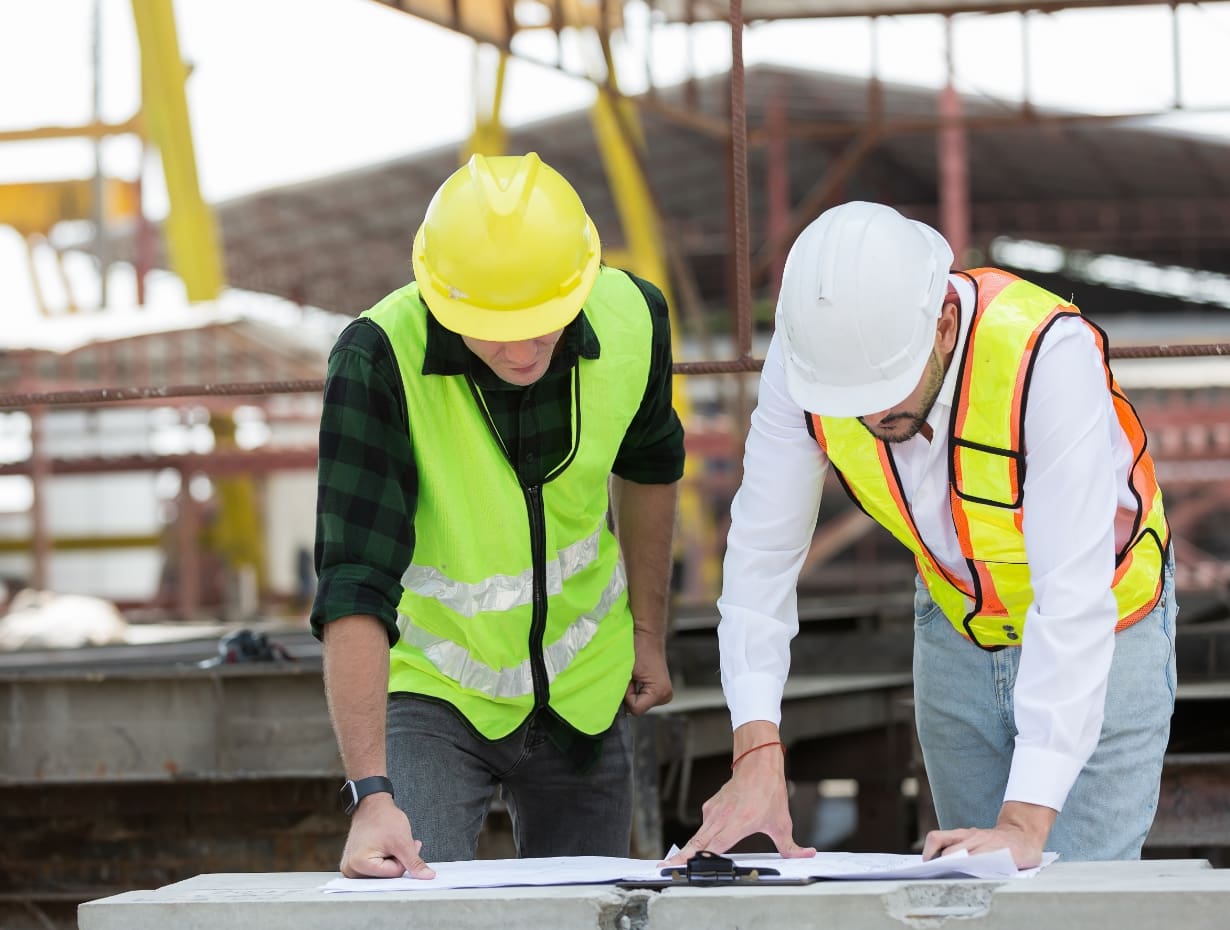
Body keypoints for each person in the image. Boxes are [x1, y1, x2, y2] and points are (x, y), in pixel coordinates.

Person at [667, 201, 1175, 870]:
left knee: (1074, 901)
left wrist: (1025, 822)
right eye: (850, 398)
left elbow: (1072, 596)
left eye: (888, 388)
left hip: (1105, 630)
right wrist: (757, 749)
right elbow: (762, 556)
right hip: (955, 630)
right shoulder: (810, 361)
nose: (871, 413)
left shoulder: (1046, 353)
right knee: (971, 893)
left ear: (941, 324)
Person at [311, 152, 684, 879]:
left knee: (591, 916)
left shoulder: (634, 318)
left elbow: (650, 466)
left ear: (580, 282)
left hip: (585, 683)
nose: (519, 348)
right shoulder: (377, 358)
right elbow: (353, 580)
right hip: (436, 691)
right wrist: (369, 793)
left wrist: (647, 633)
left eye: (541, 324)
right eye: (492, 328)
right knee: (407, 905)